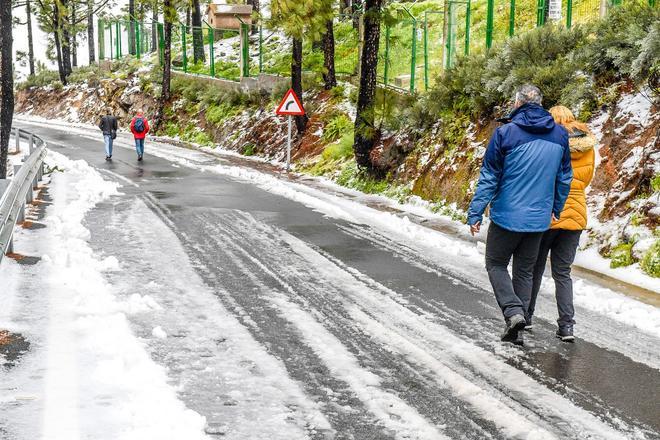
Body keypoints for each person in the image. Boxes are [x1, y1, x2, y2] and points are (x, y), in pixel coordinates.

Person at [467, 84, 573, 346]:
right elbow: (564, 178)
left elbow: (490, 177)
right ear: (541, 104)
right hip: (538, 220)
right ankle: (518, 324)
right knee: (525, 272)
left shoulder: (505, 133)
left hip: (507, 216)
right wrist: (556, 208)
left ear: (517, 104)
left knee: (495, 263)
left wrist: (476, 211)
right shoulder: (560, 135)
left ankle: (514, 313)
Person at [527, 106, 596, 342]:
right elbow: (585, 179)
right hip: (576, 215)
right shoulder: (588, 145)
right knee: (562, 273)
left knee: (535, 267)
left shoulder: (550, 141)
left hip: (549, 212)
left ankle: (526, 316)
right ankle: (567, 326)